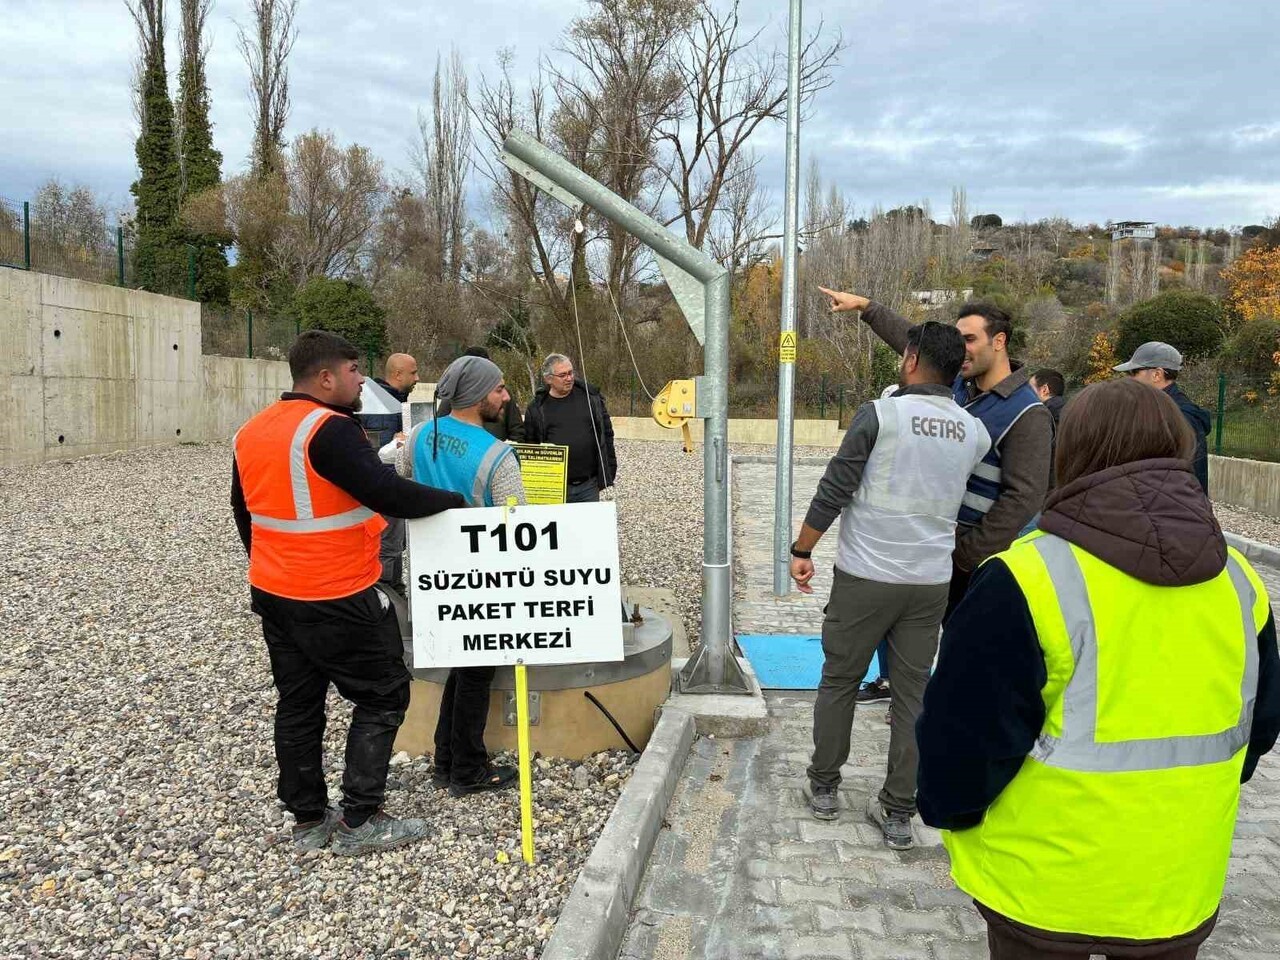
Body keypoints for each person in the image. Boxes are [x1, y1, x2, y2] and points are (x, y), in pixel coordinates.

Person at [917, 377, 1280, 959]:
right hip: (1176, 883)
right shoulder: (1240, 582)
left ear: (1072, 451)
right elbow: (1259, 726)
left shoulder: (1025, 579)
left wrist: (950, 813)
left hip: (1043, 887)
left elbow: (962, 740)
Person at [231, 331, 464, 856]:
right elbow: (385, 492)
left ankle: (309, 819)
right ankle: (361, 818)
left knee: (299, 703)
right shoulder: (329, 430)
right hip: (336, 592)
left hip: (274, 591)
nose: (362, 379)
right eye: (355, 370)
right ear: (325, 378)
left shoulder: (252, 431)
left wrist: (274, 565)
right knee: (383, 694)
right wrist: (455, 502)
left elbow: (245, 513)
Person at [789, 322, 991, 848]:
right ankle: (899, 812)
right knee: (913, 698)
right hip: (929, 584)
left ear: (910, 359)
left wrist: (802, 549)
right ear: (956, 370)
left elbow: (835, 486)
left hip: (865, 577)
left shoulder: (881, 416)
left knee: (839, 681)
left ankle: (826, 787)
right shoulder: (974, 430)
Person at [818, 288, 1053, 621]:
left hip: (963, 562)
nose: (962, 349)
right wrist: (867, 307)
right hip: (921, 545)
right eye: (958, 341)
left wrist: (964, 556)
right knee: (892, 628)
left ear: (999, 341)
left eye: (970, 340)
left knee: (949, 650)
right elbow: (915, 344)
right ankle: (886, 676)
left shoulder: (1027, 413)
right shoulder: (955, 383)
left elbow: (1023, 499)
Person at [407, 355, 526, 796]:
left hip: (431, 574)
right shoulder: (497, 454)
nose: (507, 397)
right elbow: (518, 523)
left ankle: (445, 760)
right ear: (478, 396)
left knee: (460, 666)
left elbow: (402, 480)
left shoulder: (420, 436)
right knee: (477, 671)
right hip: (480, 578)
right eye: (499, 389)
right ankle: (468, 770)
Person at [1113, 341, 1211, 493]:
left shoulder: (1180, 417)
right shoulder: (1158, 409)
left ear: (1157, 374)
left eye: (1133, 373)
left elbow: (1187, 477)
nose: (1130, 379)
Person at [524, 353, 617, 503]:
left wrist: (609, 471)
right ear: (549, 379)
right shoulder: (537, 409)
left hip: (589, 485)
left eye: (570, 373)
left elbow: (606, 434)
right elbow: (530, 446)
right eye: (563, 375)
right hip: (554, 488)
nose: (569, 378)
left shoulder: (591, 398)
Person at [364, 353, 420, 589]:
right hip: (385, 489)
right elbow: (375, 450)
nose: (418, 378)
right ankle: (390, 592)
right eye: (413, 373)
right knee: (390, 544)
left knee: (393, 543)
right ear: (398, 374)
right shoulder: (378, 405)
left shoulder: (394, 401)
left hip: (390, 487)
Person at [437, 346, 525, 442]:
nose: (506, 397)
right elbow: (440, 431)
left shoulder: (503, 395)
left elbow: (517, 432)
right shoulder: (451, 396)